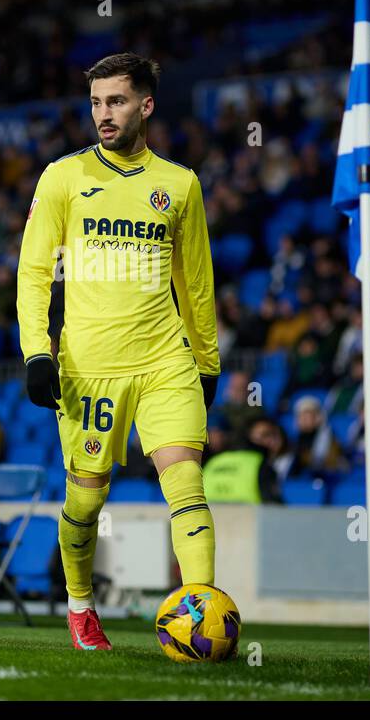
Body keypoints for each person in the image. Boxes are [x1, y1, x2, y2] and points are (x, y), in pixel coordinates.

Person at [17, 53, 221, 651]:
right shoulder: (62, 178)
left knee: (185, 484)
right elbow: (33, 273)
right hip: (88, 370)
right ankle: (80, 607)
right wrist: (37, 352)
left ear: (146, 105)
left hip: (165, 362)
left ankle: (200, 615)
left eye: (117, 101)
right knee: (85, 498)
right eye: (97, 103)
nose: (103, 114)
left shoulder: (180, 185)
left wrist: (206, 362)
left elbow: (197, 284)